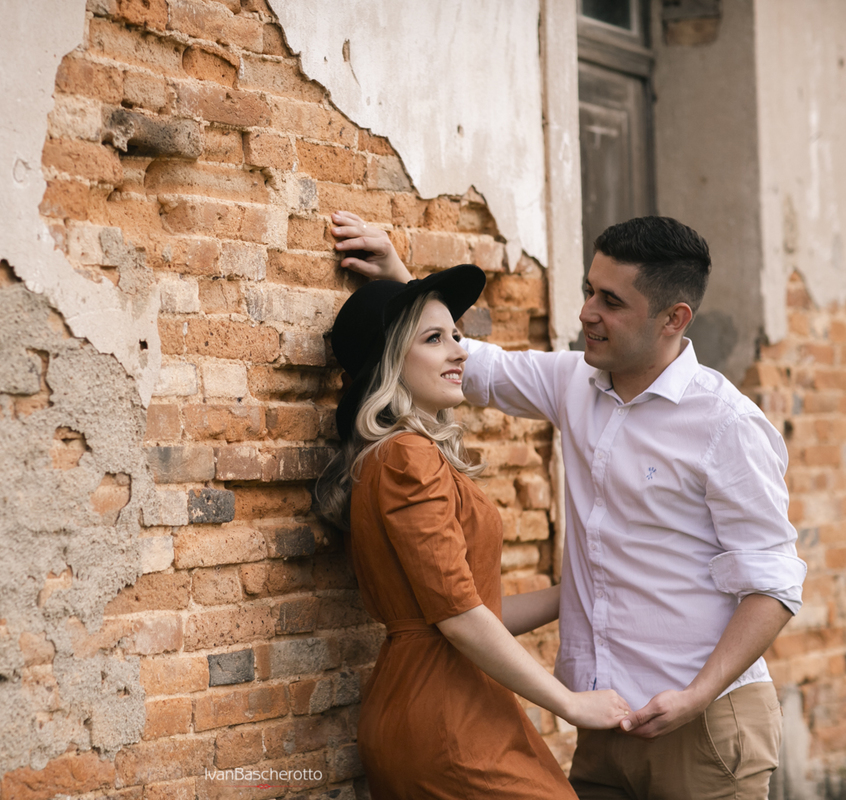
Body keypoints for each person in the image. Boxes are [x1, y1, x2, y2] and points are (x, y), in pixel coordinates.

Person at [330, 209, 807, 799]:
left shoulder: (727, 424)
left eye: (611, 300)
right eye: (588, 290)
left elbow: (773, 584)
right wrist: (400, 283)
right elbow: (458, 361)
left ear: (673, 318)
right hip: (603, 725)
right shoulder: (572, 382)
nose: (586, 312)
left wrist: (696, 696)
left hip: (700, 723)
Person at [317, 261, 631, 799]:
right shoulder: (406, 458)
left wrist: (577, 592)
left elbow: (470, 610)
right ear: (391, 362)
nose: (460, 352)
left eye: (456, 336)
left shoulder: (400, 456)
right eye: (434, 339)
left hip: (447, 699)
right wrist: (570, 704)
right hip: (447, 719)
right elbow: (460, 620)